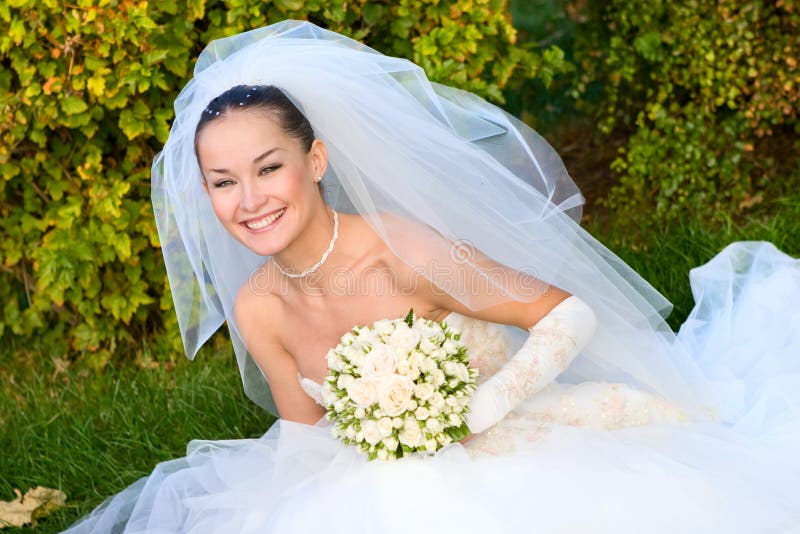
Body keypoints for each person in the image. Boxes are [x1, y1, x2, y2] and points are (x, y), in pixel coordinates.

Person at [64, 20, 800, 533]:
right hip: (385, 480)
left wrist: (485, 404)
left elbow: (566, 312)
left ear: (314, 162)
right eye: (223, 183)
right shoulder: (259, 308)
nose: (249, 201)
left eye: (268, 168)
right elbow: (304, 442)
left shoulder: (401, 250)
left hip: (516, 445)